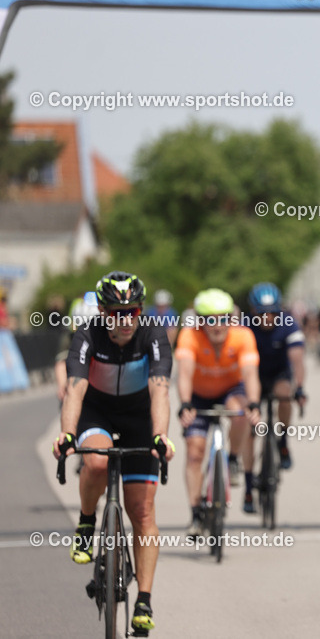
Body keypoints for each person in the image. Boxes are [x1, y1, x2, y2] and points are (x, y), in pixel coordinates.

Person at [51, 271, 175, 635]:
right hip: (97, 412)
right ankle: (87, 521)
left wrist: (160, 437)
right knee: (97, 461)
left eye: (131, 312)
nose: (123, 321)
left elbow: (160, 389)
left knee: (142, 510)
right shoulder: (86, 335)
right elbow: (74, 389)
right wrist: (67, 434)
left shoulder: (153, 334)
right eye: (114, 313)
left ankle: (144, 601)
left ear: (140, 311)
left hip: (139, 416)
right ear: (102, 311)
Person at [175, 289, 261, 530]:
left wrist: (253, 401)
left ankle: (232, 459)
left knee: (241, 412)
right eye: (210, 320)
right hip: (198, 394)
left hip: (230, 389)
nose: (218, 326)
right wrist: (184, 403)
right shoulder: (189, 336)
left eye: (224, 319)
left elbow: (250, 374)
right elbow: (184, 374)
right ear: (200, 322)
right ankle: (195, 513)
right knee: (194, 452)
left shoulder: (242, 336)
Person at [248, 282, 307, 469]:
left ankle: (283, 441)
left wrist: (299, 387)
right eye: (262, 313)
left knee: (284, 394)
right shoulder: (246, 325)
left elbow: (297, 360)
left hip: (279, 373)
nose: (267, 318)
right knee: (248, 414)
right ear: (253, 311)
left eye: (272, 312)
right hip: (253, 374)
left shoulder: (288, 323)